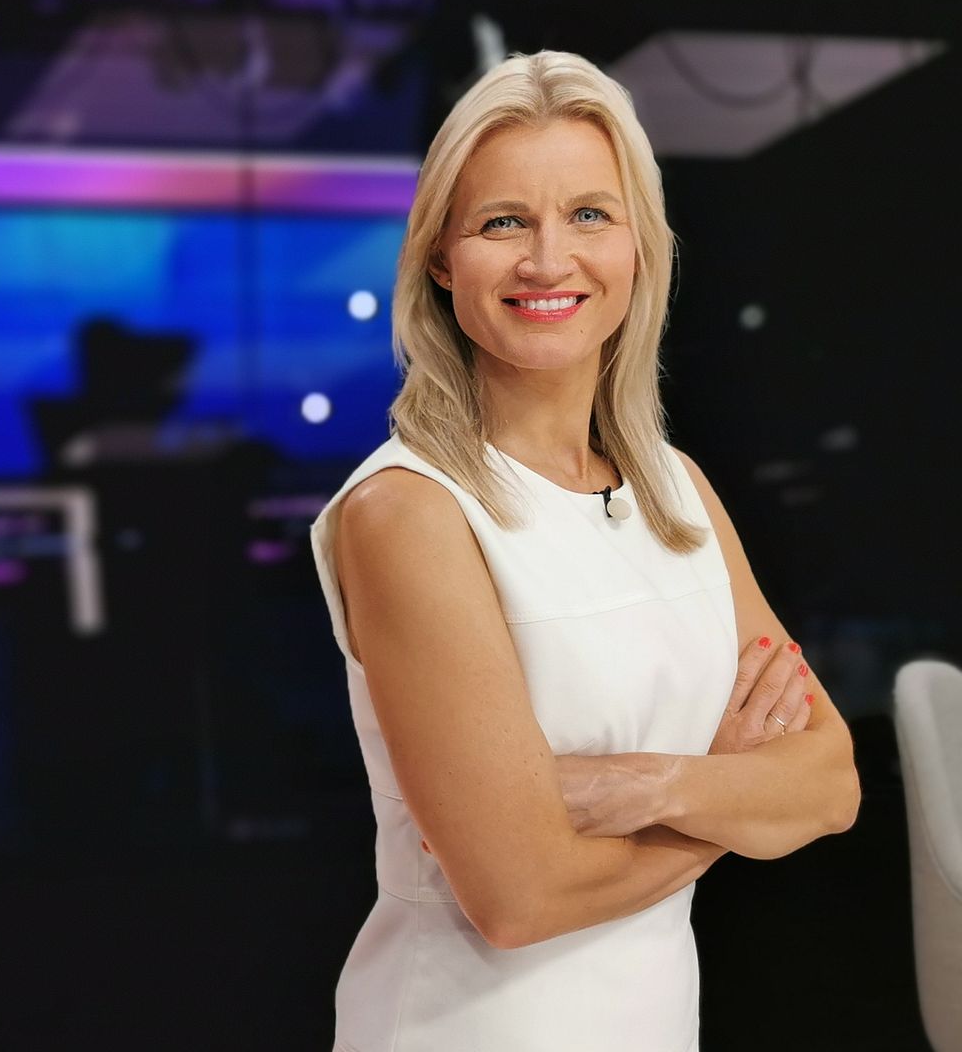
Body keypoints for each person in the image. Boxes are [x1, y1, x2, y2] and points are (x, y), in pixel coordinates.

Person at [308, 51, 860, 1051]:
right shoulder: (408, 511)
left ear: (638, 248)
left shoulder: (677, 491)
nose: (547, 260)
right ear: (441, 257)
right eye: (503, 222)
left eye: (590, 215)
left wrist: (644, 786)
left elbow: (830, 783)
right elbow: (521, 897)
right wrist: (736, 799)